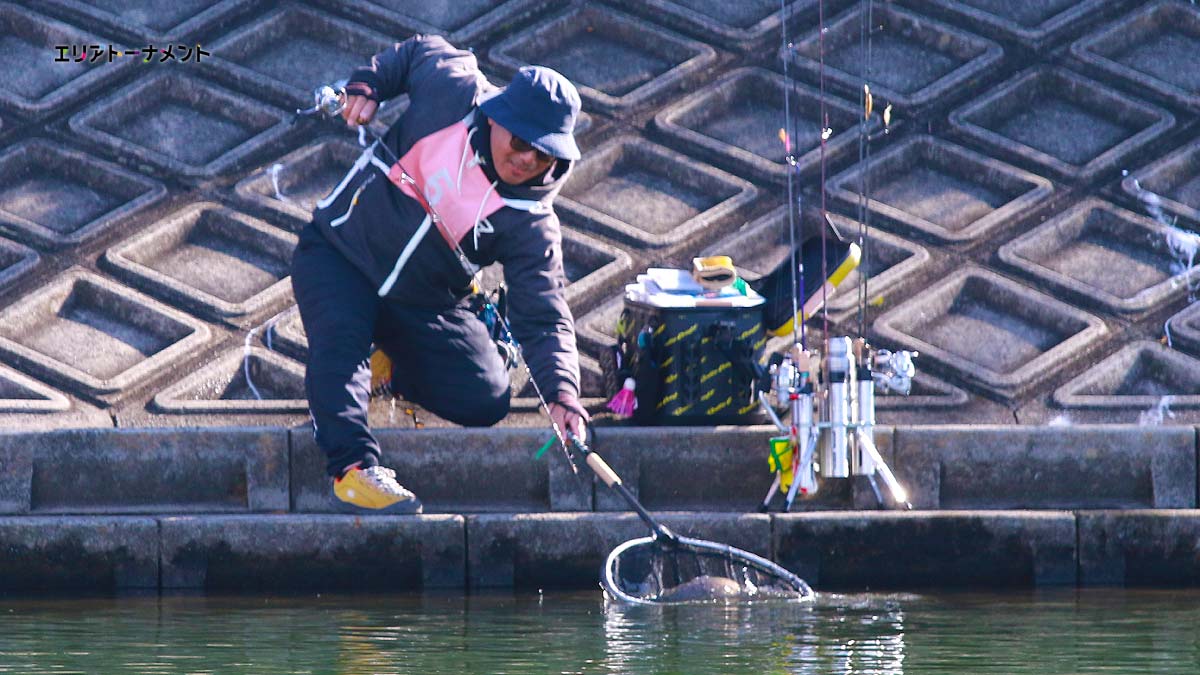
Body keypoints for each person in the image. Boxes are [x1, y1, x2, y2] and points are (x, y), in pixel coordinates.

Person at [290, 35, 588, 514]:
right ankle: (353, 470)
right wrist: (369, 84)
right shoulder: (454, 91)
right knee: (340, 343)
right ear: (498, 118)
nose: (527, 159)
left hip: (424, 300)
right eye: (520, 141)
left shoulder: (532, 222)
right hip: (341, 253)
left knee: (486, 397)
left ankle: (388, 360)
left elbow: (545, 314)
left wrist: (563, 394)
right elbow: (416, 51)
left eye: (545, 154)